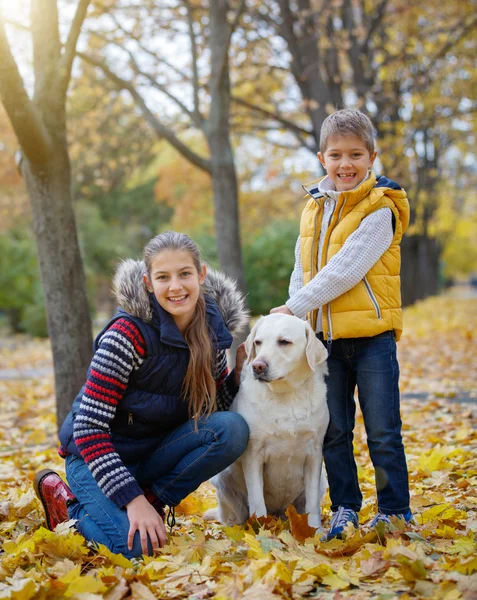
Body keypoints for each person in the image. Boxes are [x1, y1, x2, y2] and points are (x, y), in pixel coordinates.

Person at [34, 231, 249, 558]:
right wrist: (130, 499)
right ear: (149, 282)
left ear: (201, 275)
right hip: (96, 459)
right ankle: (67, 510)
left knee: (232, 429)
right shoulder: (126, 336)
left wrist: (238, 375)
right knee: (134, 548)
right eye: (163, 277)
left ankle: (153, 504)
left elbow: (216, 410)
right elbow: (89, 430)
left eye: (185, 274)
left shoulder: (212, 332)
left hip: (152, 454)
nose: (175, 286)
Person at [271, 109, 412, 540]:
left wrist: (293, 308)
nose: (345, 164)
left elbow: (345, 271)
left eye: (355, 154)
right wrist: (302, 324)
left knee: (383, 431)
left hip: (372, 339)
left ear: (372, 156)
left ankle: (394, 511)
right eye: (336, 155)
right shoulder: (313, 208)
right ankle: (345, 508)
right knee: (333, 431)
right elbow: (303, 268)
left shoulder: (381, 208)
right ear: (321, 158)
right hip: (327, 342)